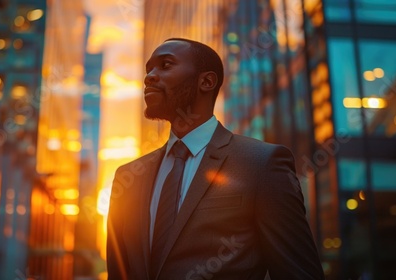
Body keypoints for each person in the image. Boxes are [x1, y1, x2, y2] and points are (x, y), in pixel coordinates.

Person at [107, 38, 324, 280]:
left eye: (165, 65)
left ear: (206, 81)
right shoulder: (127, 177)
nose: (150, 77)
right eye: (149, 69)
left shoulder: (262, 164)